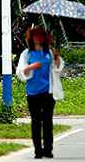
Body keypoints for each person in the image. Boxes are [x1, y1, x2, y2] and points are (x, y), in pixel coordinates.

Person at [16, 27, 64, 159]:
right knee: (36, 122)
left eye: (40, 36)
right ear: (31, 38)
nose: (37, 38)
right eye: (35, 36)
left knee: (47, 121)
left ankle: (48, 149)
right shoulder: (27, 54)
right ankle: (38, 150)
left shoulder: (48, 52)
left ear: (45, 38)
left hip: (48, 92)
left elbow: (58, 68)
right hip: (32, 93)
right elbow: (20, 72)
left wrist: (57, 57)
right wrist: (31, 67)